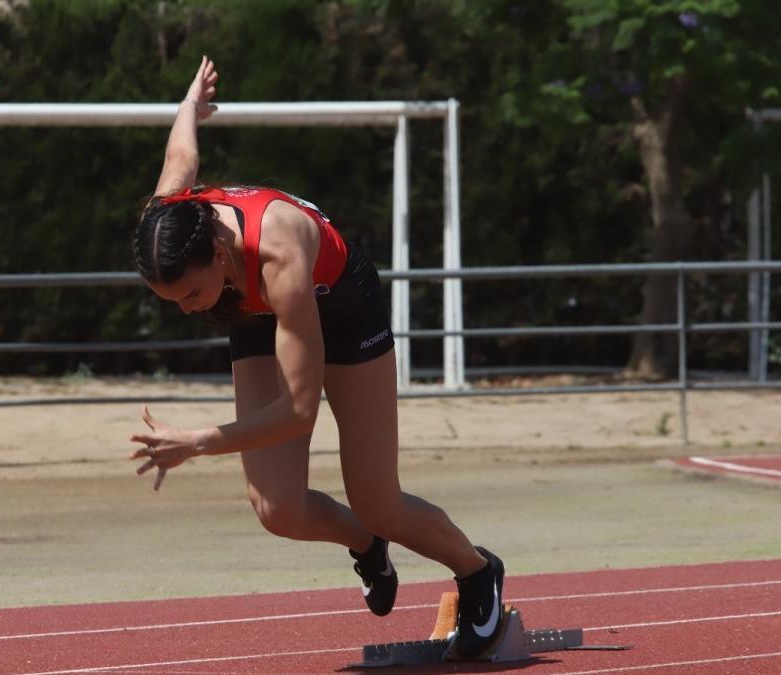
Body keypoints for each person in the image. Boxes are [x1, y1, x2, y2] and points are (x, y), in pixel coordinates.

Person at [129, 56, 505, 660]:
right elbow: (180, 158)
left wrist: (198, 441)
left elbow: (299, 411)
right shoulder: (169, 217)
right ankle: (366, 543)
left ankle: (477, 570)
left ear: (220, 253)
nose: (189, 310)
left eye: (192, 294)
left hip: (341, 305)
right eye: (172, 301)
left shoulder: (278, 254)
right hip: (256, 312)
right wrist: (188, 108)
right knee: (277, 508)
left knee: (378, 497)